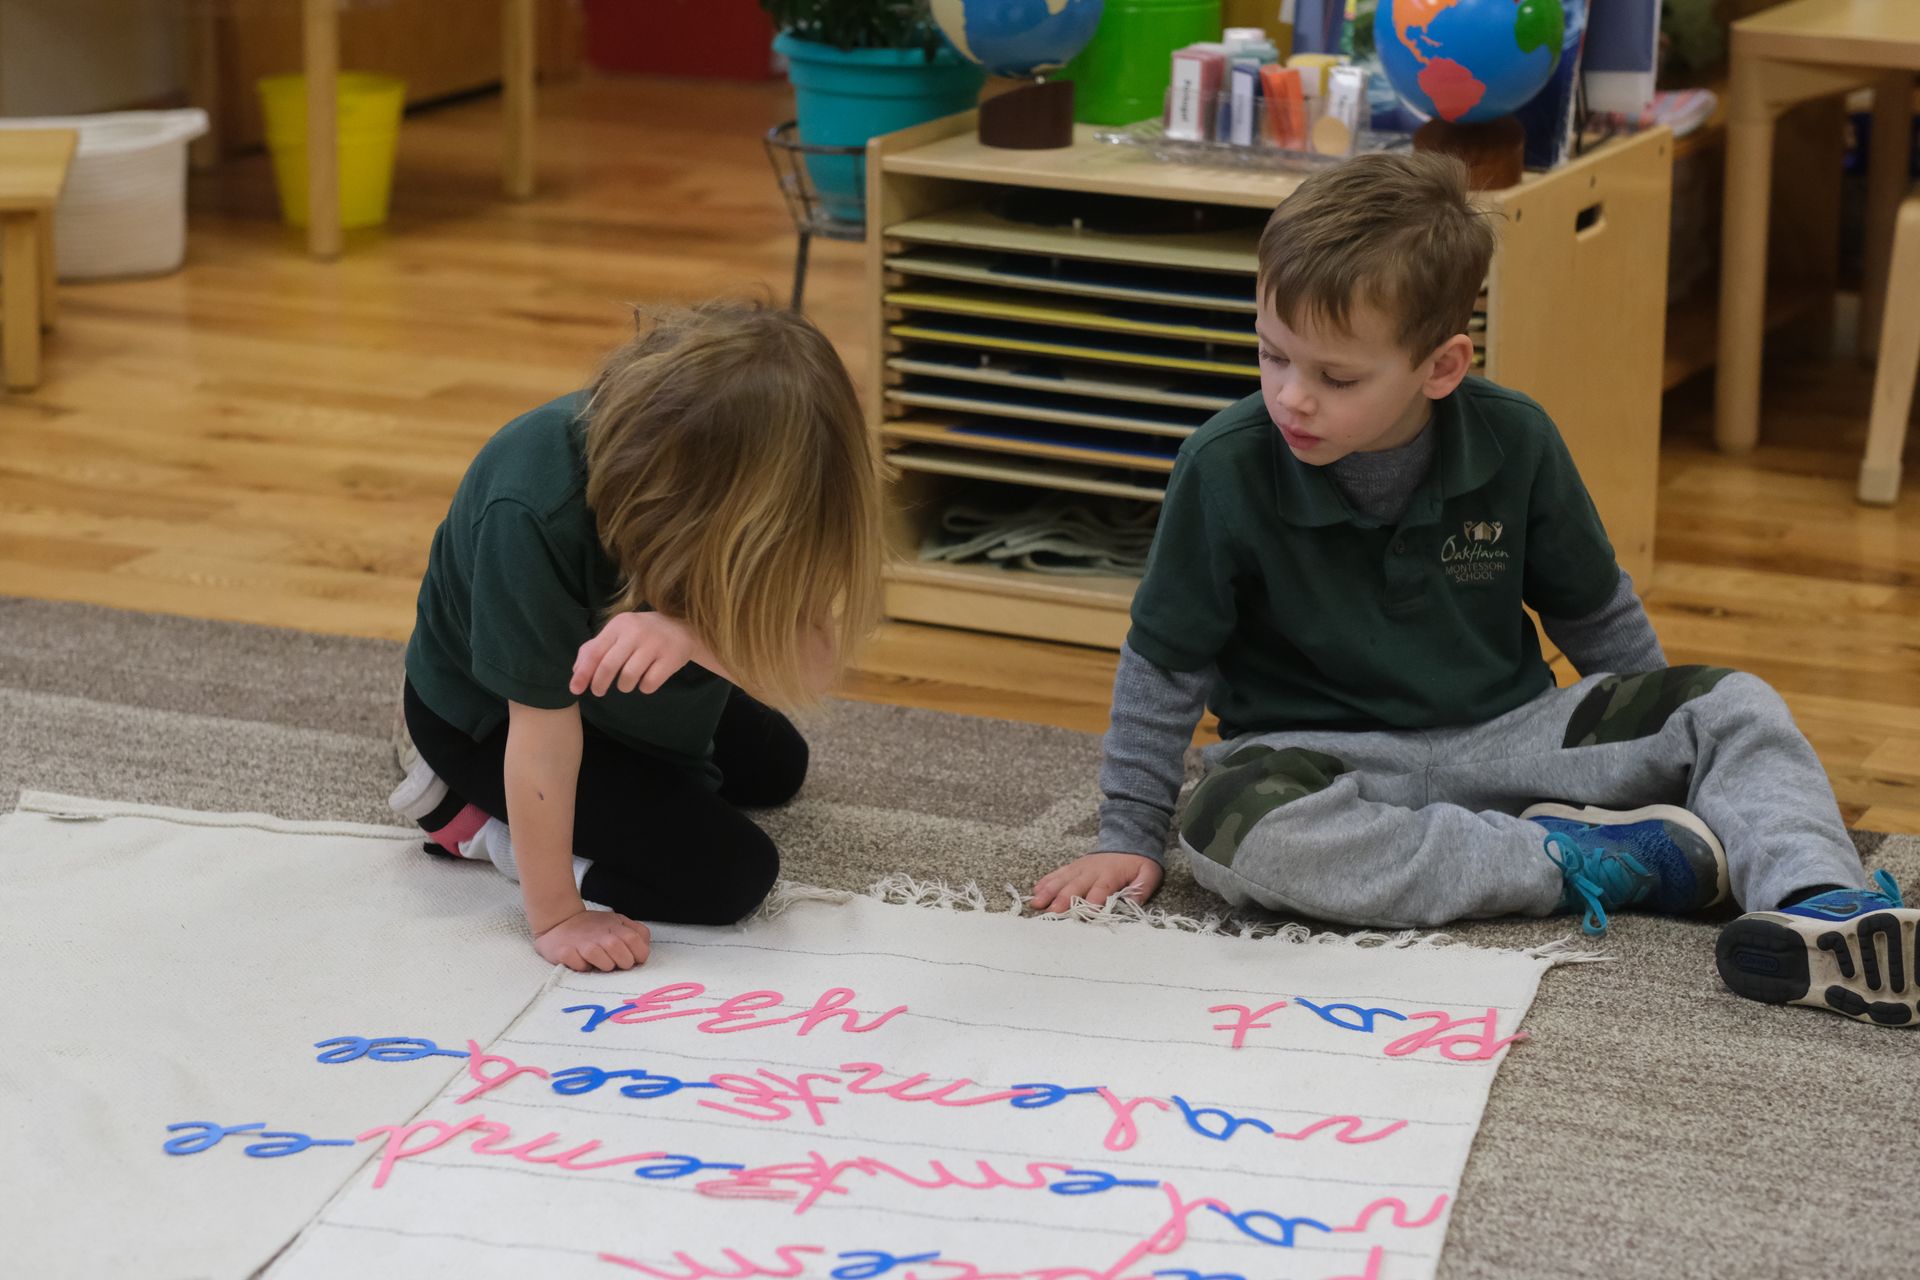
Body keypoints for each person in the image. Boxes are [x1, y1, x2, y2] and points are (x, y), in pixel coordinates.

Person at [1029, 153, 1915, 1027]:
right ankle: (1577, 861)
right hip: (1320, 765)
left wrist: (1658, 756)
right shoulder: (1220, 467)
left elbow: (1596, 615)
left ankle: (1822, 906)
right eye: (1271, 356)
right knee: (1222, 824)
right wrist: (1125, 835)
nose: (1292, 396)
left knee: (1734, 703)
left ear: (1442, 367)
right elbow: (1165, 666)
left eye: (1336, 377)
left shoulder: (1517, 439)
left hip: (1511, 738)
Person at [390, 299, 882, 974]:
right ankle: (466, 819)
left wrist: (692, 638)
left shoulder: (742, 487)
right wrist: (558, 915)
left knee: (778, 766)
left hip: (613, 684)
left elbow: (811, 662)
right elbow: (544, 740)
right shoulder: (533, 505)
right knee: (730, 876)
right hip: (493, 717)